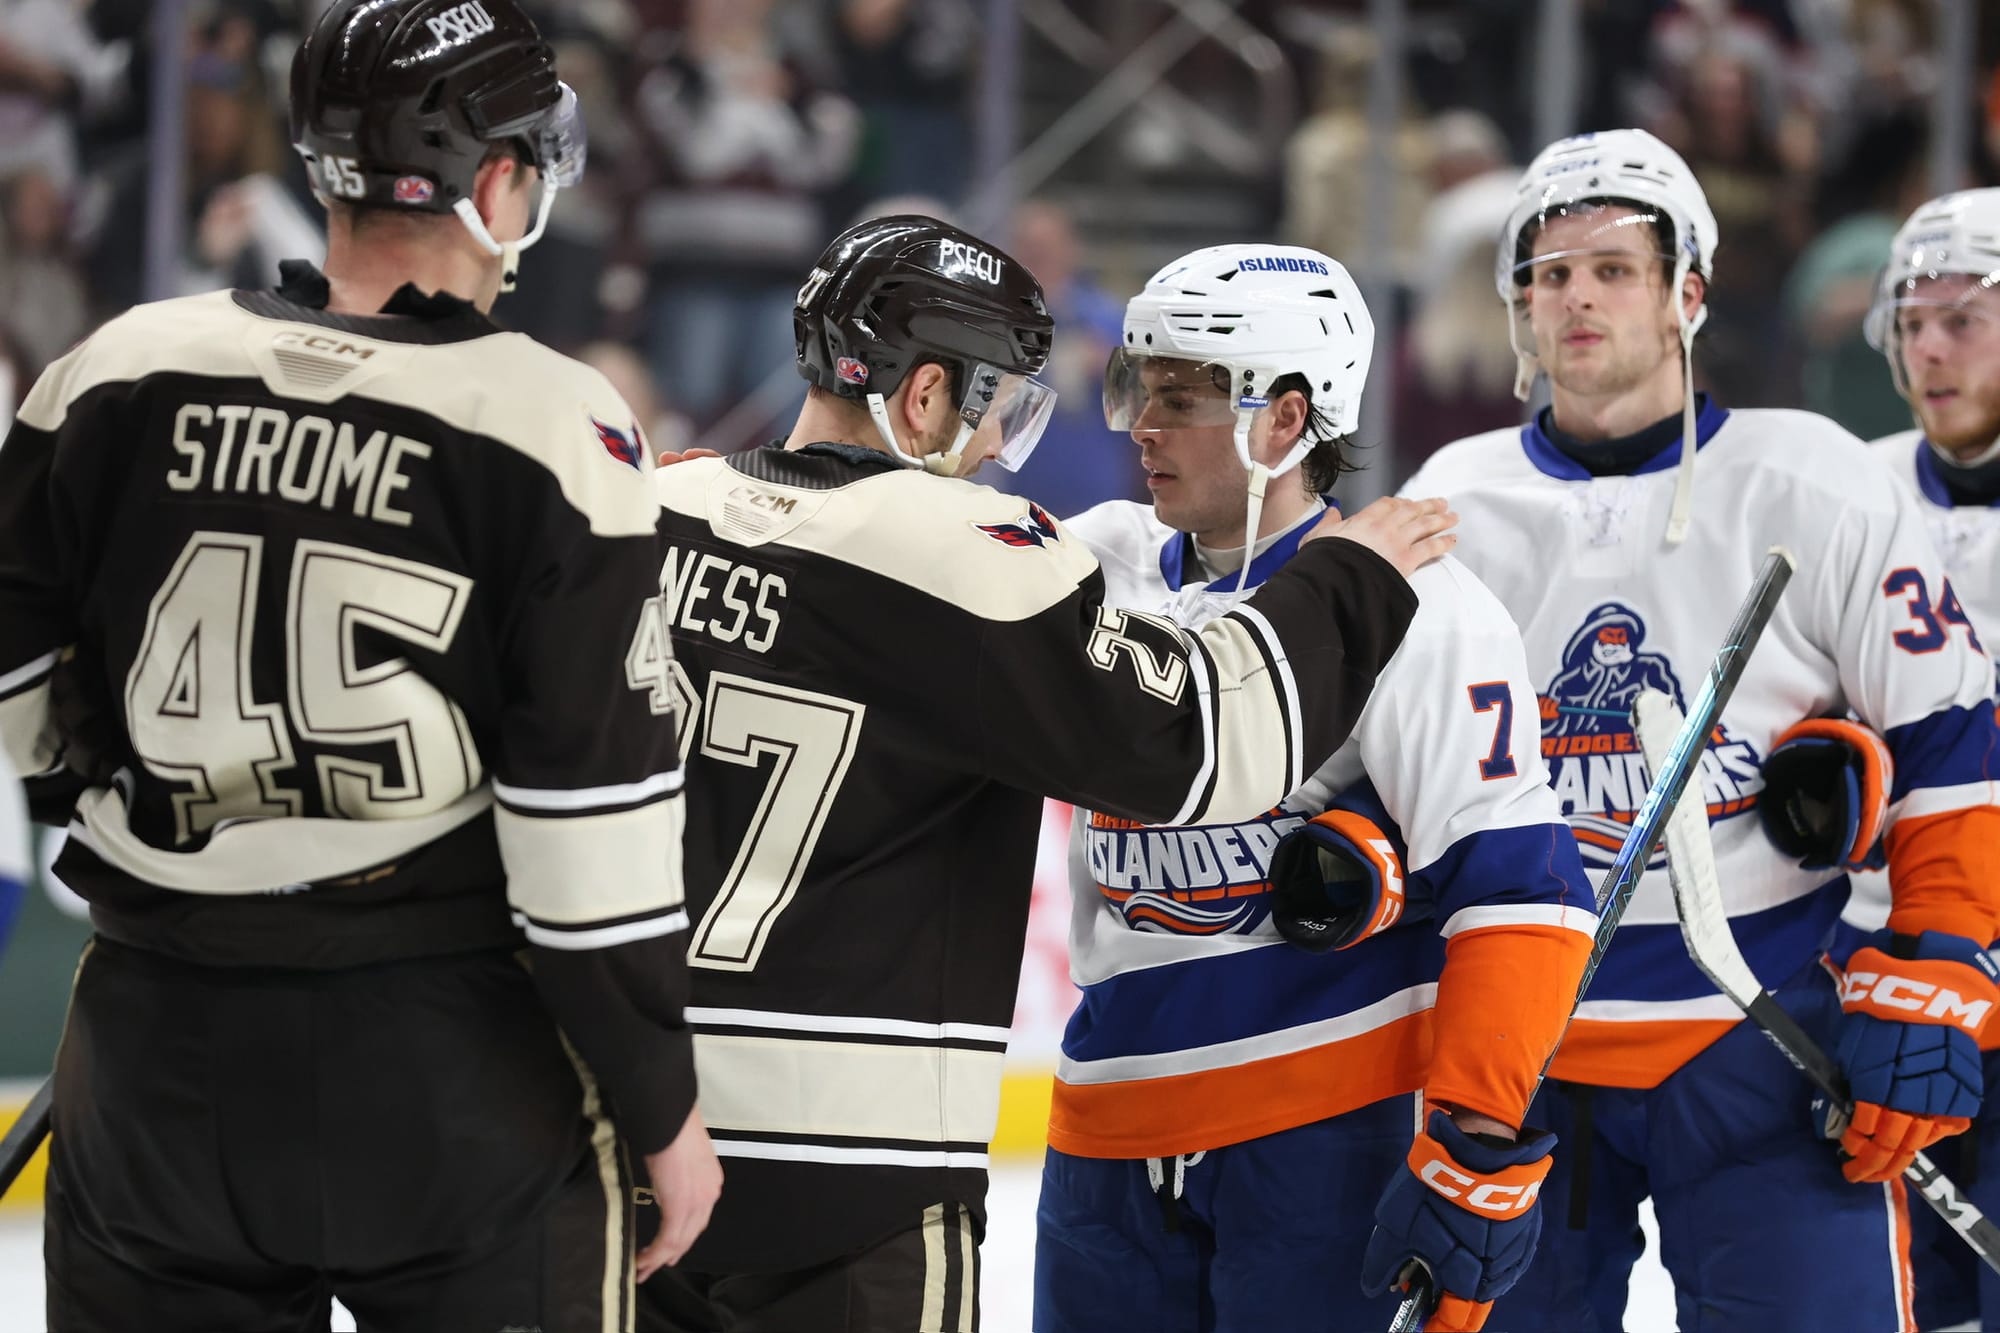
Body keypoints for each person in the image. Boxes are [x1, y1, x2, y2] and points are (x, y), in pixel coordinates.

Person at [0, 2, 720, 1327]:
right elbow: (583, 834)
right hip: (446, 1060)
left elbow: (15, 676)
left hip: (154, 1042)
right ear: (496, 184)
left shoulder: (117, 367)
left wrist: (113, 808)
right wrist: (660, 1101)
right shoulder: (554, 421)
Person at [638, 213, 1456, 1332]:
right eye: (997, 410)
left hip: (627, 1126)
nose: (991, 449)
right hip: (848, 1162)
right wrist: (1346, 579)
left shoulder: (647, 509)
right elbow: (1198, 742)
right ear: (925, 393)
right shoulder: (961, 551)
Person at [1401, 128, 2000, 1332]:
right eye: (1549, 272)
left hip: (1762, 1032)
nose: (1575, 296)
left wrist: (1938, 959)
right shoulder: (1446, 503)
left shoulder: (1812, 479)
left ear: (1686, 291)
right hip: (1520, 1050)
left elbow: (1946, 740)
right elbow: (1388, 777)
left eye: (1612, 269)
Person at [1034, 243, 1598, 1333]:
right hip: (1102, 1128)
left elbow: (1518, 891)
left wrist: (1478, 1138)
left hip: (1325, 1135)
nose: (1142, 423)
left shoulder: (1425, 609)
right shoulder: (1091, 561)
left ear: (1285, 419)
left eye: (1180, 397)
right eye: (1139, 387)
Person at [1846, 185, 2000, 1331]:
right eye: (1909, 323)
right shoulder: (1850, 493)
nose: (1927, 350)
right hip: (1884, 968)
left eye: (1960, 320)